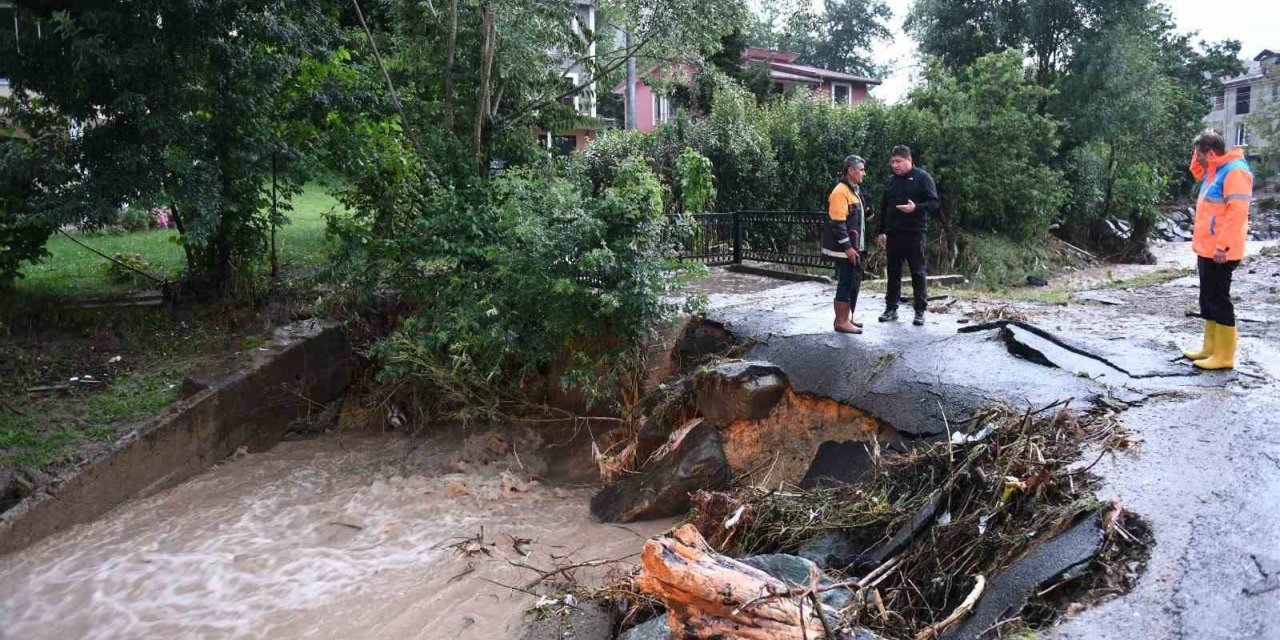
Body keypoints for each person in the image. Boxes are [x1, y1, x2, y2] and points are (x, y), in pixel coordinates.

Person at [1182, 129, 1252, 370]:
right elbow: (1196, 170)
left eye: (1199, 154)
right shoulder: (1214, 170)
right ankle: (1209, 348)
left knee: (1219, 299)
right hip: (1207, 247)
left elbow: (1236, 214)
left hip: (1222, 249)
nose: (1197, 159)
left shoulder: (1235, 172)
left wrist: (1223, 246)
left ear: (1210, 154)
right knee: (1208, 298)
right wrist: (1199, 145)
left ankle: (1224, 356)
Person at [875, 145, 939, 326]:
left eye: (899, 162)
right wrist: (881, 231)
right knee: (893, 273)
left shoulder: (923, 177)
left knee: (917, 272)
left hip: (915, 233)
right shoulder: (890, 181)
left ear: (909, 160)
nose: (895, 165)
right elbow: (884, 207)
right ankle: (891, 308)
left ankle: (919, 311)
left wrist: (916, 208)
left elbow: (934, 203)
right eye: (893, 162)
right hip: (894, 234)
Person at [822, 155, 868, 334]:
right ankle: (841, 321)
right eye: (861, 169)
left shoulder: (853, 190)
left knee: (850, 281)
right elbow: (838, 223)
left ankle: (843, 318)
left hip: (853, 246)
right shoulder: (840, 192)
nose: (864, 173)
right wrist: (848, 247)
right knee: (846, 282)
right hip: (844, 249)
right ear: (851, 170)